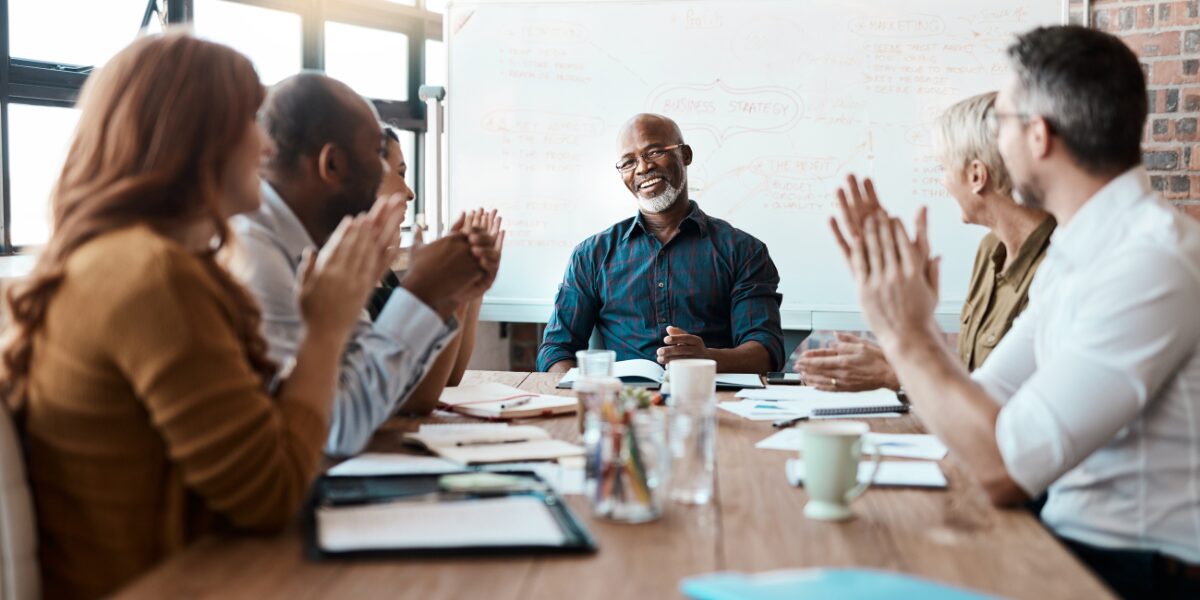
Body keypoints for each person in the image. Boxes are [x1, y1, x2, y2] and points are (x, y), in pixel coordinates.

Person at [0, 34, 399, 598]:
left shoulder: (120, 260)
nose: (265, 147)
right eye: (248, 123)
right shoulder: (153, 276)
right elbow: (273, 493)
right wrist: (326, 327)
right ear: (194, 139)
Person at [830, 26, 1200, 598]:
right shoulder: (1078, 253)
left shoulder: (1151, 260)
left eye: (1000, 123)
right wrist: (916, 327)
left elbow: (1003, 468)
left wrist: (906, 336)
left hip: (1133, 573)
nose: (992, 145)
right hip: (1064, 544)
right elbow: (984, 401)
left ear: (1038, 135)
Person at [233, 74, 502, 455]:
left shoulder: (315, 245)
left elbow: (376, 391)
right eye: (375, 158)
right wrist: (422, 293)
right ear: (333, 164)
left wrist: (444, 294)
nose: (388, 181)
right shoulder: (254, 255)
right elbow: (338, 427)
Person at [796, 92, 1054, 391]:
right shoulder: (990, 250)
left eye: (944, 168)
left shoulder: (1059, 265)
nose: (943, 181)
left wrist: (896, 372)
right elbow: (980, 373)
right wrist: (900, 359)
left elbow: (1006, 399)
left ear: (976, 175)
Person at [537, 113, 784, 374]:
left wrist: (707, 359)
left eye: (654, 152)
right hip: (623, 405)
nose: (643, 168)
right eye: (628, 162)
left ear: (685, 155)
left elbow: (766, 351)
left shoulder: (742, 251)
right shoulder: (592, 255)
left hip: (711, 400)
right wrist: (584, 396)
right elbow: (555, 350)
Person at [364, 126, 501, 415]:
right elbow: (411, 396)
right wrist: (436, 289)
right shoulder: (337, 280)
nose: (410, 193)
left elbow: (446, 379)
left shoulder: (382, 275)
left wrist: (464, 288)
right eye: (400, 174)